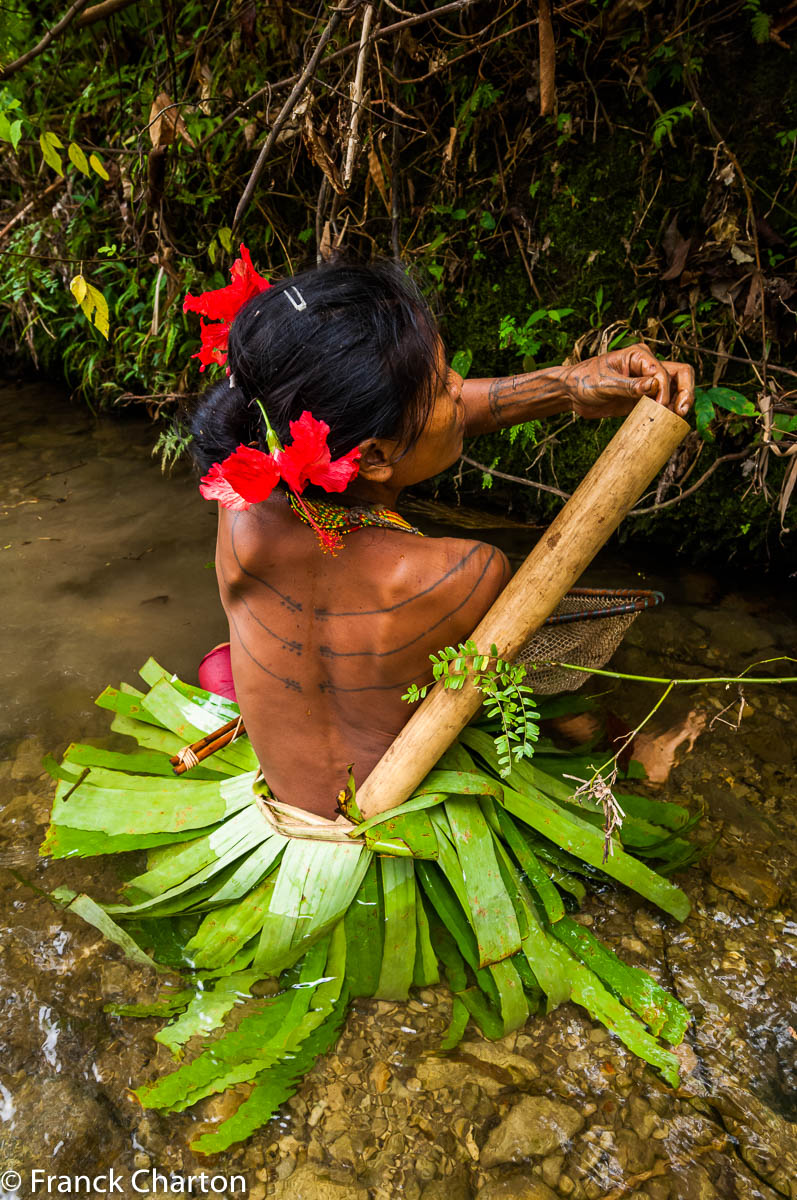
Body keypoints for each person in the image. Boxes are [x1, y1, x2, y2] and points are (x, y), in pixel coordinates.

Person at [189, 257, 694, 819]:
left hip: (282, 806)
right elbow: (522, 703)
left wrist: (566, 385)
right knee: (562, 708)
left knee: (226, 667)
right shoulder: (461, 572)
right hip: (388, 830)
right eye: (440, 384)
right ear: (374, 457)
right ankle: (638, 755)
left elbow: (415, 423)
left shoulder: (239, 501)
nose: (459, 387)